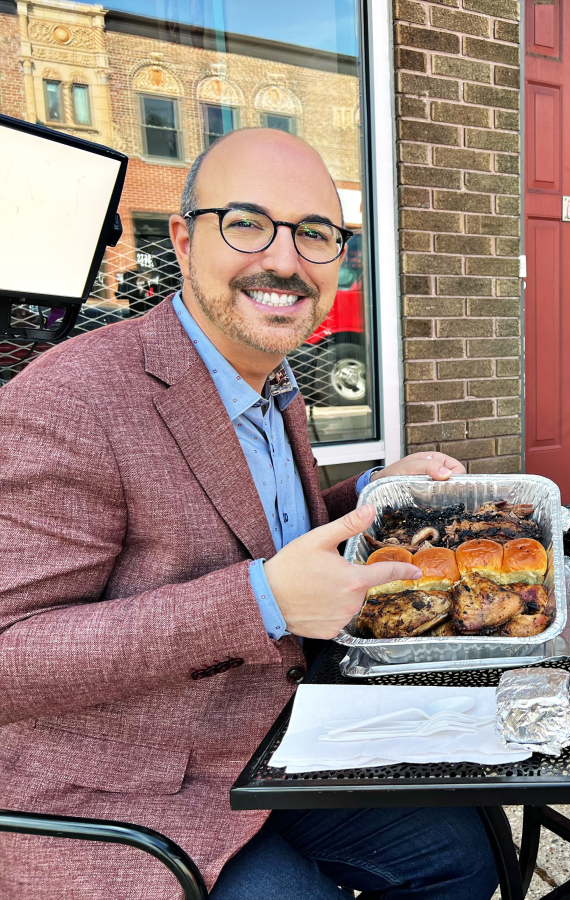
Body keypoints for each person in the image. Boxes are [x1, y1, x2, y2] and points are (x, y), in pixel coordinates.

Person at [0, 128, 496, 900]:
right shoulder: (69, 397)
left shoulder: (268, 378)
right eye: (246, 223)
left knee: (461, 855)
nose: (284, 259)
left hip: (264, 734)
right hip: (124, 784)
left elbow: (259, 532)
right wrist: (262, 601)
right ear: (182, 238)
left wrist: (370, 494)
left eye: (315, 233)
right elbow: (10, 659)